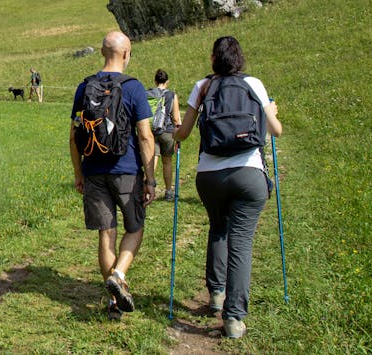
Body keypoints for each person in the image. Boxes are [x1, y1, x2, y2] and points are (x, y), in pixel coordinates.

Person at [173, 36, 283, 339]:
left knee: (218, 228)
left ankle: (216, 295)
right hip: (248, 173)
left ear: (213, 59)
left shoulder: (203, 86)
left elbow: (182, 134)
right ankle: (234, 318)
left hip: (210, 175)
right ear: (240, 59)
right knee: (242, 243)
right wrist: (270, 110)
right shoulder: (254, 83)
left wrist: (174, 132)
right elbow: (276, 130)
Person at [69, 31, 156, 321]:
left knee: (106, 234)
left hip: (93, 170)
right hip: (127, 171)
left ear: (102, 53)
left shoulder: (84, 87)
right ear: (126, 54)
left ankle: (113, 302)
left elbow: (73, 136)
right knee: (136, 227)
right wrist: (151, 178)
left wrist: (79, 172)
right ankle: (119, 275)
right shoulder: (133, 88)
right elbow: (144, 136)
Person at [147, 69, 181, 200]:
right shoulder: (172, 95)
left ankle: (148, 186)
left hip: (151, 130)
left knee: (151, 159)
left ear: (155, 81)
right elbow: (176, 118)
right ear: (167, 82)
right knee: (167, 161)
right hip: (167, 131)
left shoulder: (148, 93)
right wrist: (178, 136)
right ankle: (168, 191)